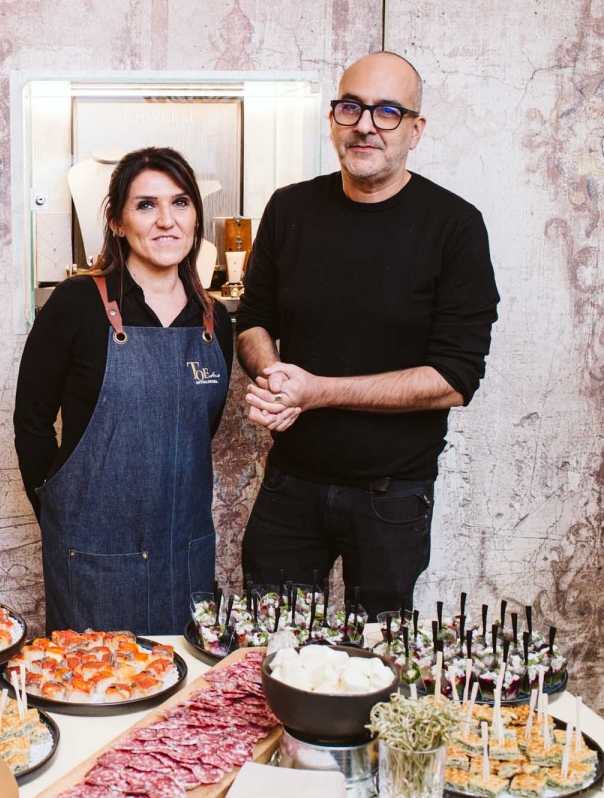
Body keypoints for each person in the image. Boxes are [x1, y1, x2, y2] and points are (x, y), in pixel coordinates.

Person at [232, 51, 500, 617]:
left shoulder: (454, 226)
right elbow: (253, 318)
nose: (365, 125)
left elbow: (455, 378)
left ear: (415, 130)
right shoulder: (289, 207)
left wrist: (317, 392)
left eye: (388, 112)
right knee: (268, 646)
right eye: (351, 107)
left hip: (391, 496)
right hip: (290, 484)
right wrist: (274, 377)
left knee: (377, 657)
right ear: (333, 119)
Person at [14, 147, 234, 635]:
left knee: (185, 677)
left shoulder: (215, 321)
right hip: (91, 556)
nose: (166, 221)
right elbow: (31, 423)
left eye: (180, 203)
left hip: (185, 554)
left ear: (196, 217)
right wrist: (59, 512)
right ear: (116, 221)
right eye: (146, 205)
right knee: (93, 674)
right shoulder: (75, 304)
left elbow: (202, 429)